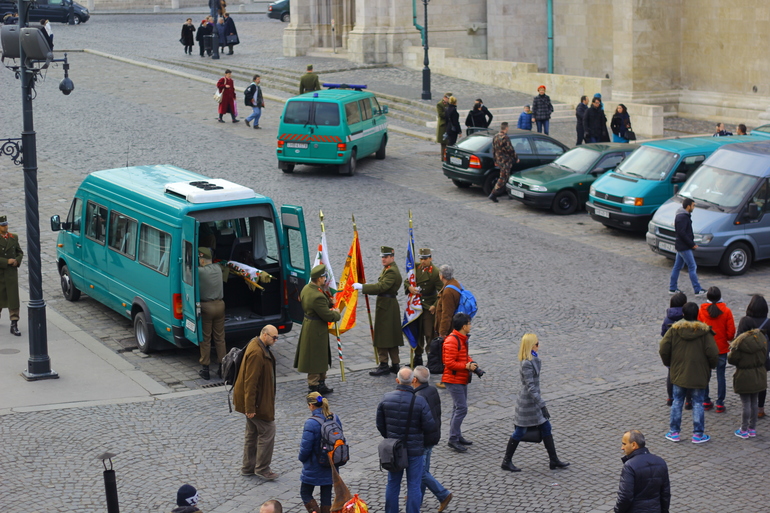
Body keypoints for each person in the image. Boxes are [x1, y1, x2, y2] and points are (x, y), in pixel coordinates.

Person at [501, 333, 569, 471]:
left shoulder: (533, 359)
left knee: (546, 428)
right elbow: (530, 387)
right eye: (537, 344)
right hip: (527, 405)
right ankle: (506, 461)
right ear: (531, 346)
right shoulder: (527, 363)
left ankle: (554, 460)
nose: (539, 346)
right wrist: (542, 404)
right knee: (520, 432)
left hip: (534, 403)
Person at [376, 367, 436, 513]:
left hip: (394, 449)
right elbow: (429, 426)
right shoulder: (420, 401)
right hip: (415, 450)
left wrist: (389, 437)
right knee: (414, 485)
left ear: (397, 381)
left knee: (393, 483)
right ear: (413, 381)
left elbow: (380, 424)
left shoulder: (386, 398)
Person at [659, 302, 718, 443]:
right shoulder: (704, 332)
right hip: (699, 373)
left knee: (677, 401)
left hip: (679, 372)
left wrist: (669, 364)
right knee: (698, 402)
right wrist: (710, 366)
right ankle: (698, 434)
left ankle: (674, 432)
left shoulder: (674, 330)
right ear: (697, 314)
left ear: (683, 314)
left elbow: (663, 348)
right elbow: (713, 352)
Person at [233, 325, 279, 480]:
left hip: (255, 401)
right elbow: (250, 383)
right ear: (265, 335)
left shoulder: (258, 345)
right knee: (268, 430)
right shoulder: (257, 353)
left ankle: (248, 467)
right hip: (257, 404)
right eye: (274, 337)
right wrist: (250, 407)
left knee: (252, 434)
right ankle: (262, 468)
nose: (276, 340)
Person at [353, 247, 403, 376]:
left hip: (387, 307)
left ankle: (384, 364)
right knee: (389, 336)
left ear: (392, 257)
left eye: (386, 257)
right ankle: (395, 364)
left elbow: (381, 286)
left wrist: (364, 287)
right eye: (382, 257)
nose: (383, 259)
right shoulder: (389, 269)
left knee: (383, 336)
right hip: (386, 306)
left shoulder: (391, 271)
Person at [412, 366, 453, 512]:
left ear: (415, 380)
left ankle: (443, 494)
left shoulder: (419, 396)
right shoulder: (432, 390)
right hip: (433, 436)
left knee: (420, 472)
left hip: (423, 439)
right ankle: (419, 496)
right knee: (425, 469)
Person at [294, 264, 340, 395]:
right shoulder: (317, 295)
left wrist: (329, 303)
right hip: (316, 329)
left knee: (320, 355)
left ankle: (321, 383)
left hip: (311, 325)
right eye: (324, 277)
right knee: (315, 357)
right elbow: (327, 315)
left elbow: (317, 305)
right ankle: (314, 386)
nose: (325, 279)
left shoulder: (307, 289)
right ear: (319, 279)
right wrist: (336, 312)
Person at [298, 392, 342, 513]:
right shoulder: (335, 417)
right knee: (326, 495)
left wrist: (302, 459)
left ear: (311, 405)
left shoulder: (311, 422)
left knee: (305, 493)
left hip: (314, 464)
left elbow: (305, 448)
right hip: (331, 463)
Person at [442, 313, 478, 453]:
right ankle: (453, 439)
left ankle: (456, 435)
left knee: (457, 408)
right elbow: (449, 363)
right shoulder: (452, 340)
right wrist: (466, 366)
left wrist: (472, 362)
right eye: (469, 324)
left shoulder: (461, 339)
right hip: (453, 379)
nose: (470, 326)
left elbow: (463, 355)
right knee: (461, 408)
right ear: (464, 326)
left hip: (461, 378)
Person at [697, 286, 735, 413]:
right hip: (722, 349)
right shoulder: (727, 311)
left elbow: (698, 330)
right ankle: (720, 403)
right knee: (721, 376)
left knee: (705, 376)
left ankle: (706, 401)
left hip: (706, 349)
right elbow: (730, 334)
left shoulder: (701, 311)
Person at [613, 430, 670, 513]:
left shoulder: (630, 466)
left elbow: (625, 496)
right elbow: (665, 493)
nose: (622, 447)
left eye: (624, 444)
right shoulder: (661, 462)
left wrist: (618, 511)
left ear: (634, 445)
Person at [729, 323, 768, 439]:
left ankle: (744, 429)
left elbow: (731, 359)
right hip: (759, 374)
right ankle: (752, 429)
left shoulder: (740, 345)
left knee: (746, 403)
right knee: (754, 402)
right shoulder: (761, 340)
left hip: (744, 376)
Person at [404, 248, 442, 367]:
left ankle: (432, 359)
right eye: (421, 258)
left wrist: (435, 305)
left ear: (430, 258)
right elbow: (407, 281)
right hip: (416, 304)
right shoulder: (416, 268)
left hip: (428, 305)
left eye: (425, 259)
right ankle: (418, 357)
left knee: (429, 333)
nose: (422, 261)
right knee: (417, 331)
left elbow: (442, 291)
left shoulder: (435, 272)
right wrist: (409, 288)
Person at [735, 294, 770, 418]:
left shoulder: (745, 321)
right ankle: (760, 409)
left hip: (746, 359)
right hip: (762, 359)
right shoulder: (768, 322)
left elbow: (737, 340)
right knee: (761, 383)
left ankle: (748, 406)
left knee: (747, 382)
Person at [197, 247, 226, 380]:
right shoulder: (218, 268)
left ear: (201, 259)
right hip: (220, 305)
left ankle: (205, 368)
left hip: (206, 307)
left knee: (206, 339)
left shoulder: (199, 272)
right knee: (220, 338)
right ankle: (222, 367)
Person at [669, 198, 706, 296]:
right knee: (692, 266)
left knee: (677, 267)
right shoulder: (683, 217)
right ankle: (697, 289)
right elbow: (682, 233)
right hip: (684, 247)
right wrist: (692, 244)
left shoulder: (683, 216)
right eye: (693, 205)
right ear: (688, 206)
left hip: (681, 246)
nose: (694, 207)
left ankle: (672, 288)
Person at [661, 292, 690, 408]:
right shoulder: (687, 317)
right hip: (685, 350)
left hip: (672, 351)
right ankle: (688, 400)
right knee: (687, 375)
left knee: (671, 374)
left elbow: (663, 333)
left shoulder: (668, 318)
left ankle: (670, 398)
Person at [0, 215, 23, 337]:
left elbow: (19, 252)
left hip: (11, 274)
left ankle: (14, 324)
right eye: (3, 225)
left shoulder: (13, 237)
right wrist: (6, 261)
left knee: (13, 300)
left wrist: (17, 260)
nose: (5, 227)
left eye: (6, 225)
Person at [488, 121, 519, 203]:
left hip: (499, 160)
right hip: (505, 161)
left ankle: (509, 193)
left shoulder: (495, 136)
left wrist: (495, 160)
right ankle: (493, 194)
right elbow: (510, 150)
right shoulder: (505, 138)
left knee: (507, 176)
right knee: (503, 177)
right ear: (506, 128)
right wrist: (516, 158)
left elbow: (493, 149)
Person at [436, 92, 450, 162]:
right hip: (443, 125)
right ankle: (443, 157)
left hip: (449, 124)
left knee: (449, 143)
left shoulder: (449, 104)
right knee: (443, 143)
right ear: (445, 98)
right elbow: (441, 114)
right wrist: (448, 111)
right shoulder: (440, 104)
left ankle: (448, 157)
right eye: (448, 98)